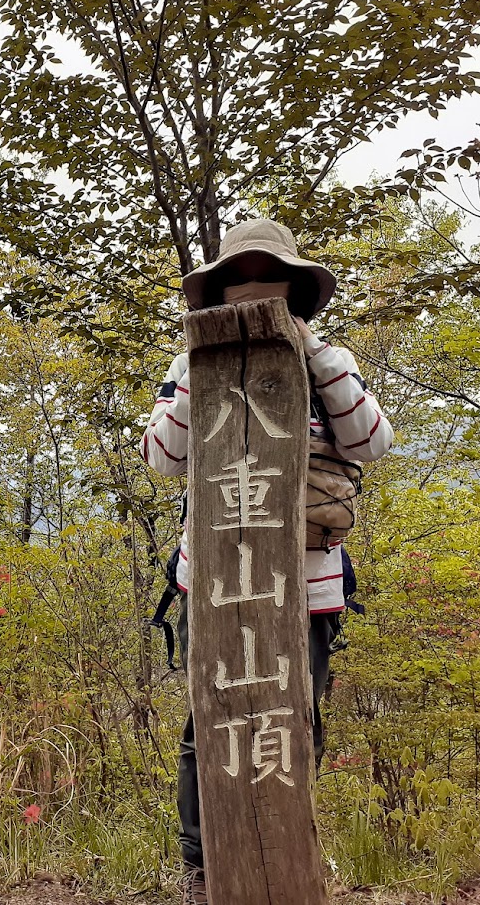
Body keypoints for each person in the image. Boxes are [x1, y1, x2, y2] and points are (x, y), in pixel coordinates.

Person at [142, 219, 394, 905]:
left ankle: (287, 857)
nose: (255, 298)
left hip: (306, 588)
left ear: (299, 296)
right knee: (210, 721)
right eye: (240, 286)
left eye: (271, 286)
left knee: (293, 716)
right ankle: (204, 866)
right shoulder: (186, 364)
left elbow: (372, 442)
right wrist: (202, 362)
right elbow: (163, 459)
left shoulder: (327, 361)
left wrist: (313, 352)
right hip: (215, 583)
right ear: (218, 293)